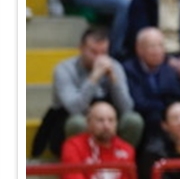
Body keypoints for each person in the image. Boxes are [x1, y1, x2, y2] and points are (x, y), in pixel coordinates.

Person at [35, 27, 143, 157]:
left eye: (103, 52)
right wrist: (94, 78)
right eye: (93, 52)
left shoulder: (115, 67)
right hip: (69, 118)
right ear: (81, 48)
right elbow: (75, 108)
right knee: (77, 123)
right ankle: (80, 162)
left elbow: (127, 108)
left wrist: (114, 81)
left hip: (106, 118)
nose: (99, 58)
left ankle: (122, 160)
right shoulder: (64, 69)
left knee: (133, 120)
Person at [122, 27, 180, 136]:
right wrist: (169, 109)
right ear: (139, 49)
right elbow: (140, 103)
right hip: (149, 119)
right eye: (152, 46)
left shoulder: (169, 68)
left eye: (161, 46)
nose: (157, 51)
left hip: (170, 114)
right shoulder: (129, 70)